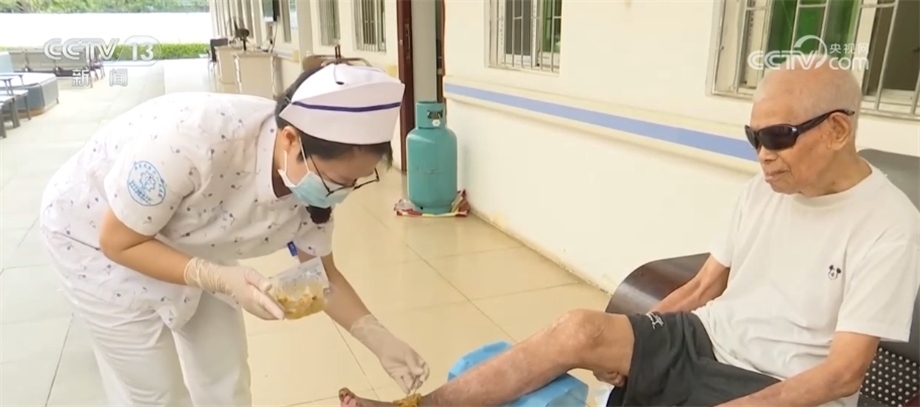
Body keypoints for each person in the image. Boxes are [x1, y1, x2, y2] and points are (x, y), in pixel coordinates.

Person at [336, 60, 920, 407]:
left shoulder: (888, 224)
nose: (762, 155)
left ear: (837, 130)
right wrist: (641, 337)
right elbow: (703, 287)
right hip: (706, 338)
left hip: (783, 379)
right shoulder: (763, 190)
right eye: (754, 138)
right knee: (579, 328)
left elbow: (844, 373)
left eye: (778, 137)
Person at [39, 63, 430, 406]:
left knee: (226, 380)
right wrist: (216, 277)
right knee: (156, 394)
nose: (340, 193)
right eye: (337, 180)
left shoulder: (310, 186)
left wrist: (379, 339)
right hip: (96, 238)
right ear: (290, 139)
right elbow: (117, 241)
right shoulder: (192, 139)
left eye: (354, 182)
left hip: (197, 237)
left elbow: (322, 277)